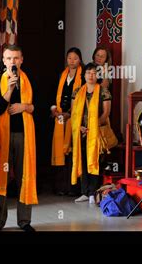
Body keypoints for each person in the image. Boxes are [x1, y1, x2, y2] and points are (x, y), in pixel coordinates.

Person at [0, 45, 38, 232]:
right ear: (3, 61)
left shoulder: (29, 81)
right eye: (8, 58)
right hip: (2, 136)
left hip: (24, 135)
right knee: (1, 177)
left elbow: (36, 107)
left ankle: (25, 221)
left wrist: (24, 106)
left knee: (24, 176)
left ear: (22, 60)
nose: (12, 62)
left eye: (16, 58)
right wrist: (9, 88)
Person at [71, 63, 111, 204]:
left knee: (95, 161)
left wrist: (93, 126)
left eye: (94, 73)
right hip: (81, 131)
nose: (91, 75)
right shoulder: (77, 92)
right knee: (82, 160)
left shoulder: (103, 92)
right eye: (88, 72)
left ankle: (94, 192)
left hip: (96, 132)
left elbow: (106, 113)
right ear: (84, 75)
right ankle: (84, 192)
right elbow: (74, 113)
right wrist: (80, 126)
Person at [51, 47, 83, 196]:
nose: (72, 61)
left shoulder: (82, 76)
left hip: (74, 119)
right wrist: (55, 110)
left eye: (75, 58)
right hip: (60, 118)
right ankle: (60, 186)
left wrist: (70, 113)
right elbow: (54, 94)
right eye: (69, 58)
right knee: (59, 151)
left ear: (80, 60)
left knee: (71, 151)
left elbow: (80, 99)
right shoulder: (62, 75)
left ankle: (73, 187)